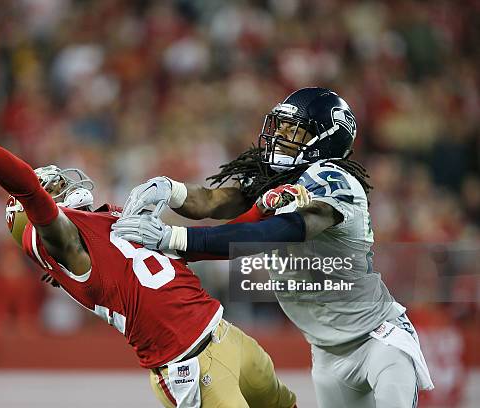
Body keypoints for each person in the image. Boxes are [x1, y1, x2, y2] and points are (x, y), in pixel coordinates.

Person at [0, 87, 297, 408]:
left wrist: (260, 210)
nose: (62, 184)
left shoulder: (106, 222)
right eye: (53, 187)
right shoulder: (64, 243)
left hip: (223, 331)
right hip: (189, 365)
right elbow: (26, 186)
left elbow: (200, 246)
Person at [113, 87, 434, 408]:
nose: (279, 135)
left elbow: (281, 230)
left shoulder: (338, 182)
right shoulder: (274, 177)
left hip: (378, 339)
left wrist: (175, 238)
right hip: (325, 350)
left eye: (292, 128)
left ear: (325, 139)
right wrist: (172, 189)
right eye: (279, 125)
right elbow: (215, 199)